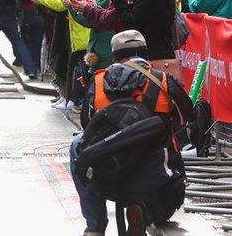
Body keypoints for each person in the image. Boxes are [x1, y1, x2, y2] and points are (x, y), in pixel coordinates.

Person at [71, 30, 192, 236]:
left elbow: (87, 125)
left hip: (107, 170)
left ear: (115, 56)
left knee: (77, 145)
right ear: (145, 54)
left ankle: (95, 226)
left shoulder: (99, 81)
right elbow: (185, 117)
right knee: (169, 141)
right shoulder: (162, 81)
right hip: (154, 168)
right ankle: (146, 211)